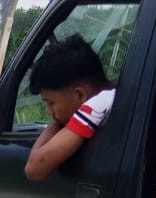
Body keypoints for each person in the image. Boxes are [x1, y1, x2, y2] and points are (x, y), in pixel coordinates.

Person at [24, 33, 116, 181]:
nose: (49, 111)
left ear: (79, 95)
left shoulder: (98, 104)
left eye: (51, 103)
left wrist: (57, 121)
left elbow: (34, 168)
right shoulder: (114, 94)